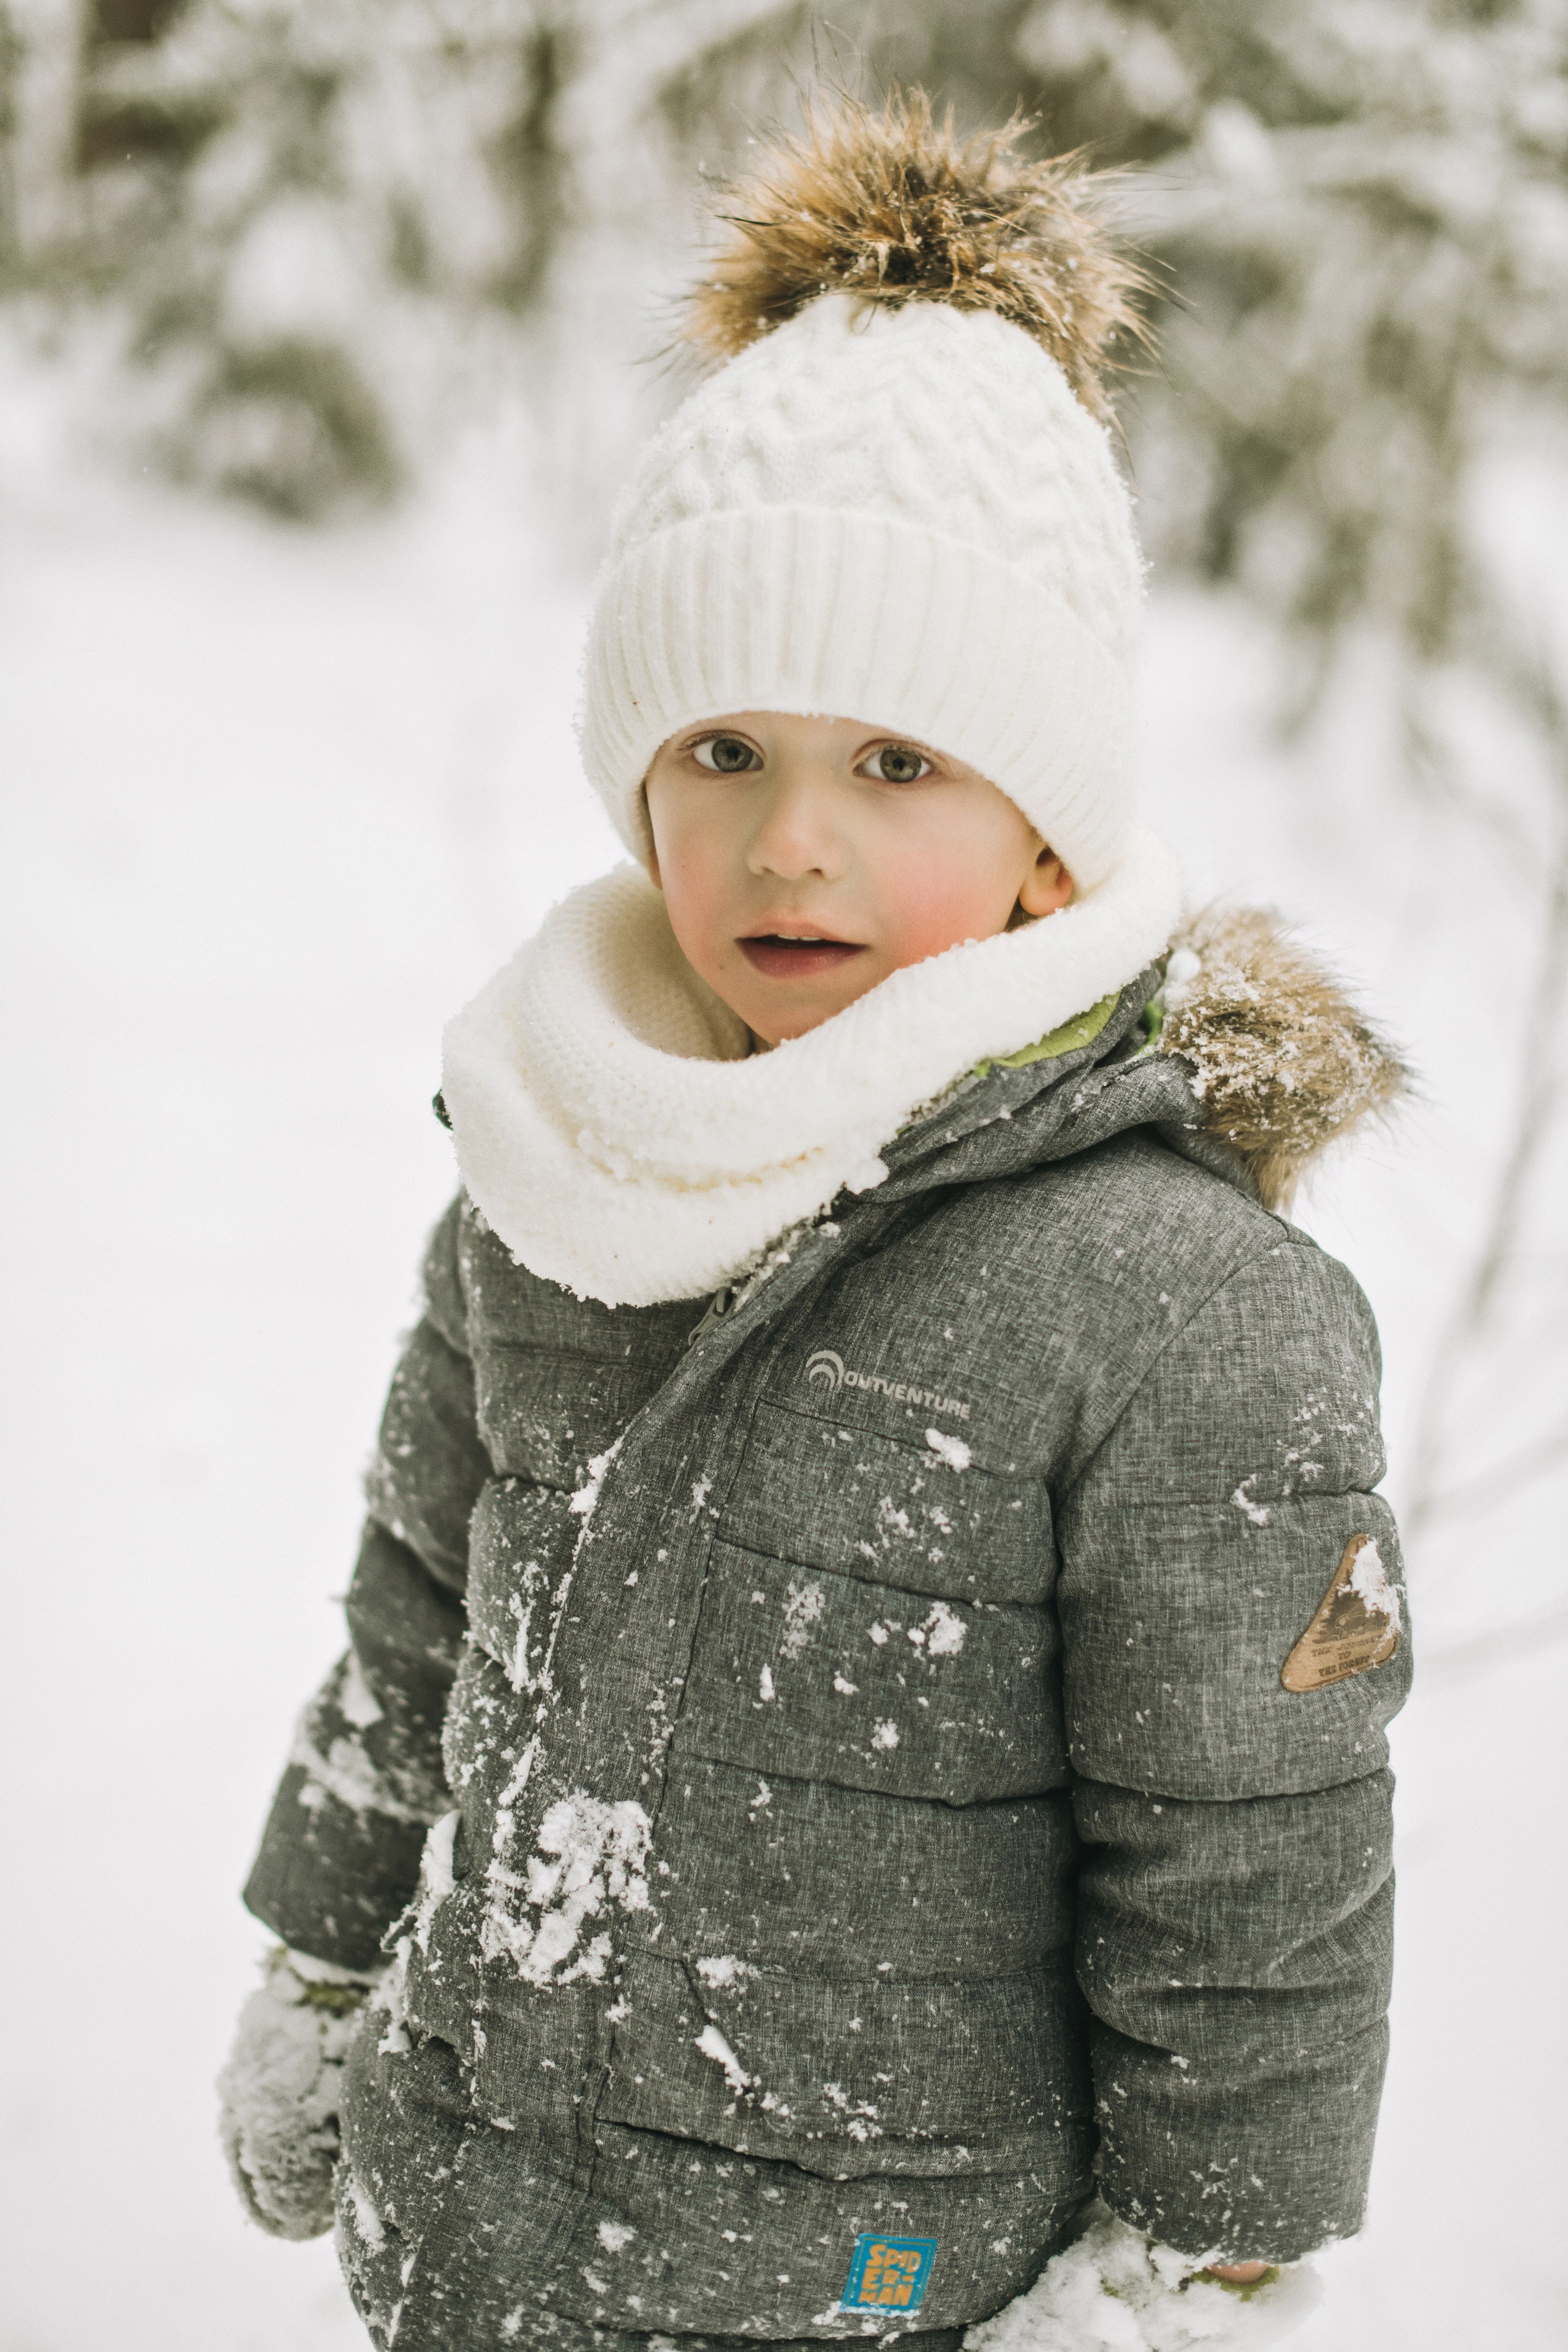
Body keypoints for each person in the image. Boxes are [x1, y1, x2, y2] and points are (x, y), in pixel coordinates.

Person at [220, 91, 1411, 2352]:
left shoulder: (1171, 1306)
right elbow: (414, 1612)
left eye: (895, 767)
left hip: (886, 2293)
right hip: (480, 2242)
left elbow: (1252, 1854)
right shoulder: (559, 1158)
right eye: (722, 753)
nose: (789, 849)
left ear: (1049, 838)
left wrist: (1199, 2270)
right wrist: (321, 1951)